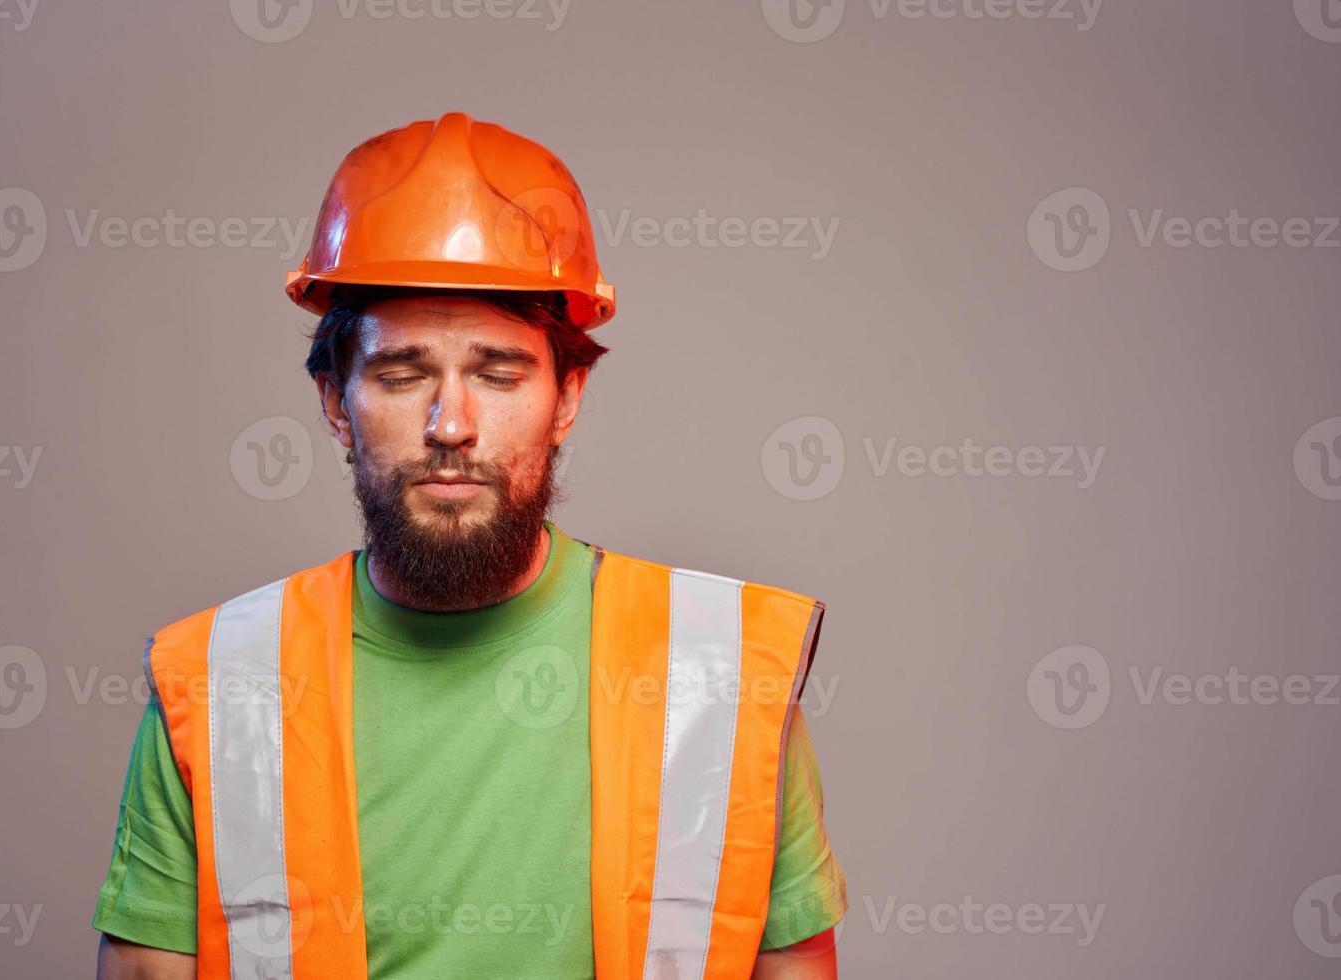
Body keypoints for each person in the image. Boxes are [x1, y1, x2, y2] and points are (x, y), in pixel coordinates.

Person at [92, 111, 846, 980]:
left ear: (567, 396)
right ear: (337, 402)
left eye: (499, 374)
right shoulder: (221, 681)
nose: (452, 426)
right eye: (402, 375)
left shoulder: (720, 670)